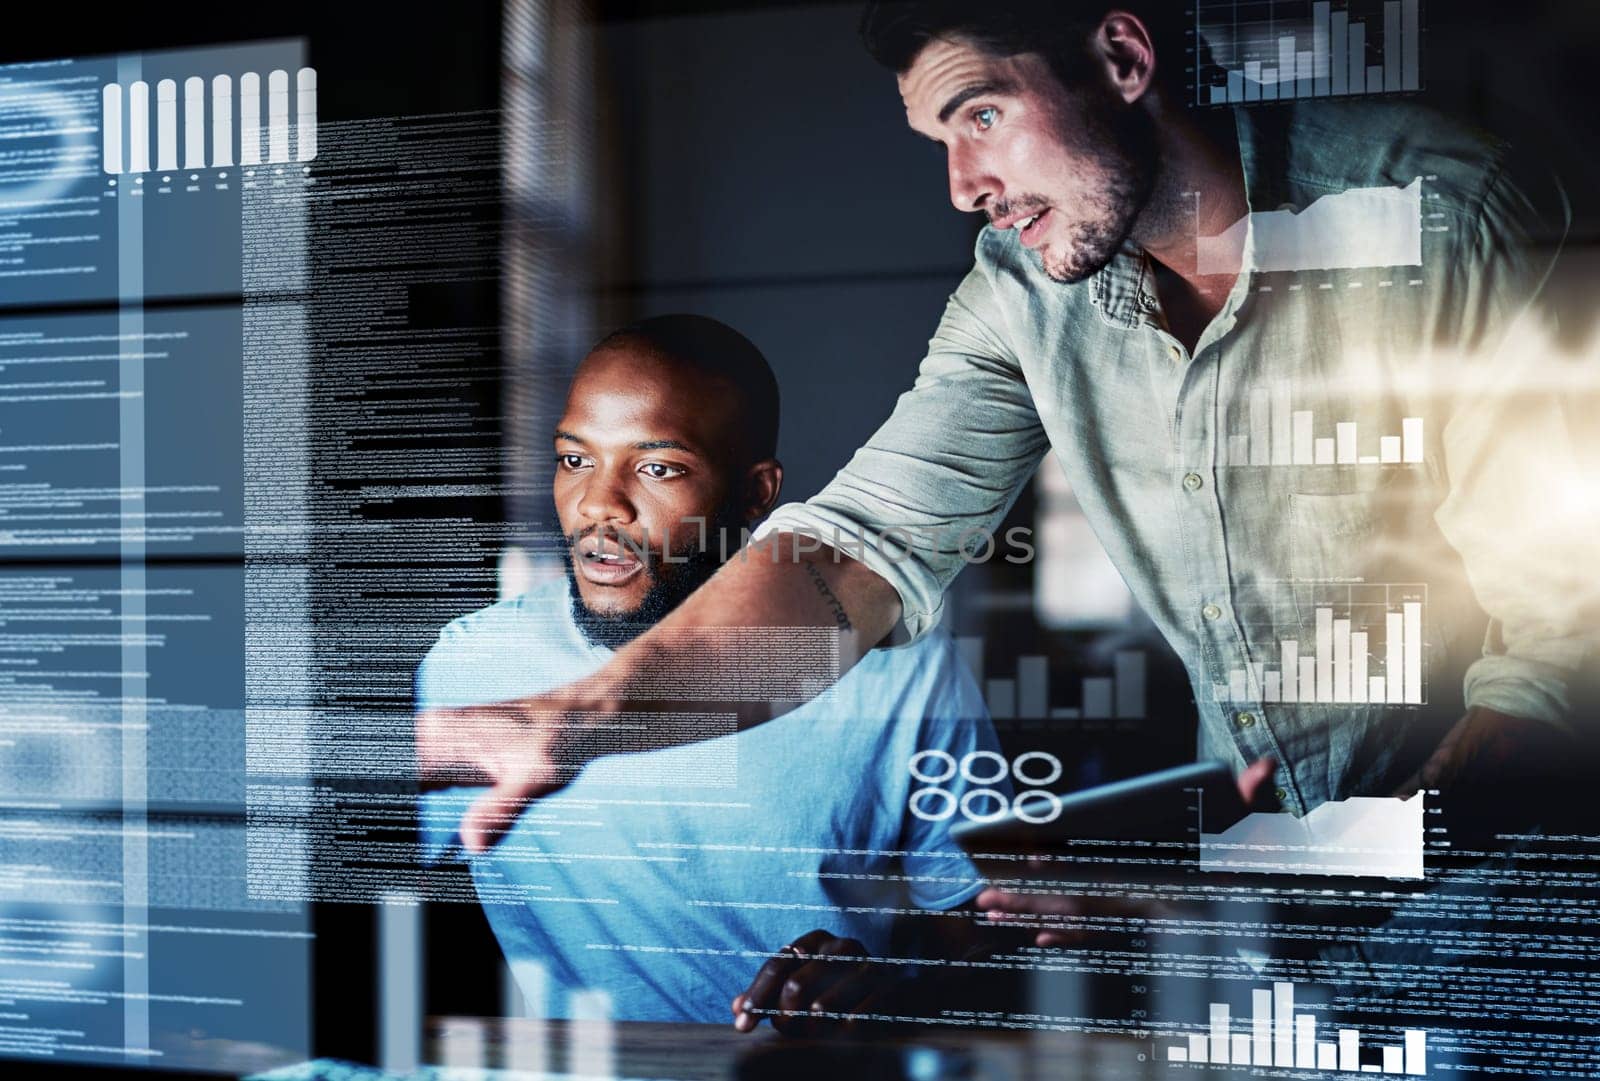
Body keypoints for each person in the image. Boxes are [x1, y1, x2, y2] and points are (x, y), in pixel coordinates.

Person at [419, 3, 1593, 954]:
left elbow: (1566, 659)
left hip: (1522, 923)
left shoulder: (1446, 209)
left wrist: (1294, 876)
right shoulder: (1021, 291)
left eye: (979, 114)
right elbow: (849, 558)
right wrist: (577, 720)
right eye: (939, 140)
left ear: (1121, 57)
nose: (962, 184)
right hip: (1283, 943)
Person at [416, 314, 1005, 1026]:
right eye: (575, 459)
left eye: (658, 468)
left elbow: (991, 950)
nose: (599, 504)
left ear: (757, 493)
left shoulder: (901, 673)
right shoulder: (473, 664)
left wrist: (889, 992)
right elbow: (405, 934)